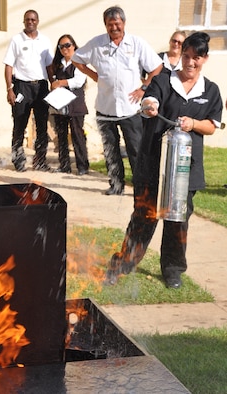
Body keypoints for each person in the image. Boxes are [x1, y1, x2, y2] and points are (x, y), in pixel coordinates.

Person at [106, 32, 223, 289]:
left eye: (196, 58)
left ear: (204, 59)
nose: (190, 63)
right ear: (181, 55)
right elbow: (151, 98)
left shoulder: (211, 90)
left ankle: (173, 270)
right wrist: (150, 105)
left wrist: (193, 123)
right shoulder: (163, 80)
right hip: (153, 164)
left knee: (177, 219)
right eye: (187, 56)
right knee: (144, 216)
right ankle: (123, 263)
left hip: (185, 168)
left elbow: (212, 126)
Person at [72, 5, 163, 195]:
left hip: (130, 109)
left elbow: (156, 67)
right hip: (105, 108)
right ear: (105, 25)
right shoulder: (97, 44)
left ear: (124, 23)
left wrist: (144, 87)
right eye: (110, 24)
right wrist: (93, 74)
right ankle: (116, 185)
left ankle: (141, 187)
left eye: (117, 24)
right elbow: (76, 58)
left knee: (136, 150)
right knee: (110, 150)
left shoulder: (136, 43)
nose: (114, 28)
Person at [3, 9, 54, 172]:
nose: (30, 22)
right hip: (21, 87)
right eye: (27, 20)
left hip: (41, 86)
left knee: (42, 126)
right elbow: (9, 66)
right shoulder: (16, 40)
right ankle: (18, 161)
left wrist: (53, 84)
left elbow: (49, 65)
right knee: (19, 124)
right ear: (24, 22)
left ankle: (40, 161)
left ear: (37, 21)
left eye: (33, 19)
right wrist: (9, 88)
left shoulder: (45, 41)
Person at [50, 34, 89, 175]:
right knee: (61, 136)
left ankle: (82, 166)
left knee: (77, 136)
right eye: (61, 46)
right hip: (60, 105)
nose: (65, 48)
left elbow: (78, 81)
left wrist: (61, 83)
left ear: (73, 46)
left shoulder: (79, 62)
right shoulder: (58, 64)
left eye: (67, 45)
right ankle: (64, 165)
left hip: (75, 105)